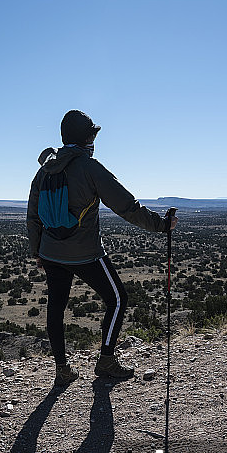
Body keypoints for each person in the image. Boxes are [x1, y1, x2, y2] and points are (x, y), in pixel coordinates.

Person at [27, 110, 178, 387]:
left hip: (50, 252)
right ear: (88, 137)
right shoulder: (90, 167)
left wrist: (37, 251)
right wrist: (162, 225)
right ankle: (106, 360)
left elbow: (33, 215)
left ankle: (62, 370)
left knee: (56, 307)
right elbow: (127, 207)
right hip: (84, 252)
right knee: (118, 299)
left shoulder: (44, 170)